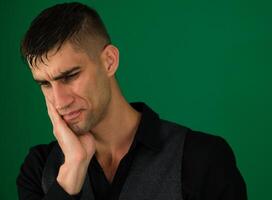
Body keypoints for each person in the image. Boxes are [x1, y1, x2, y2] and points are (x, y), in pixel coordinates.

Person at [16, 2, 247, 200]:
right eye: (45, 84)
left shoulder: (203, 159)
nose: (59, 101)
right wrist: (72, 171)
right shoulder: (39, 169)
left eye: (70, 76)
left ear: (109, 61)